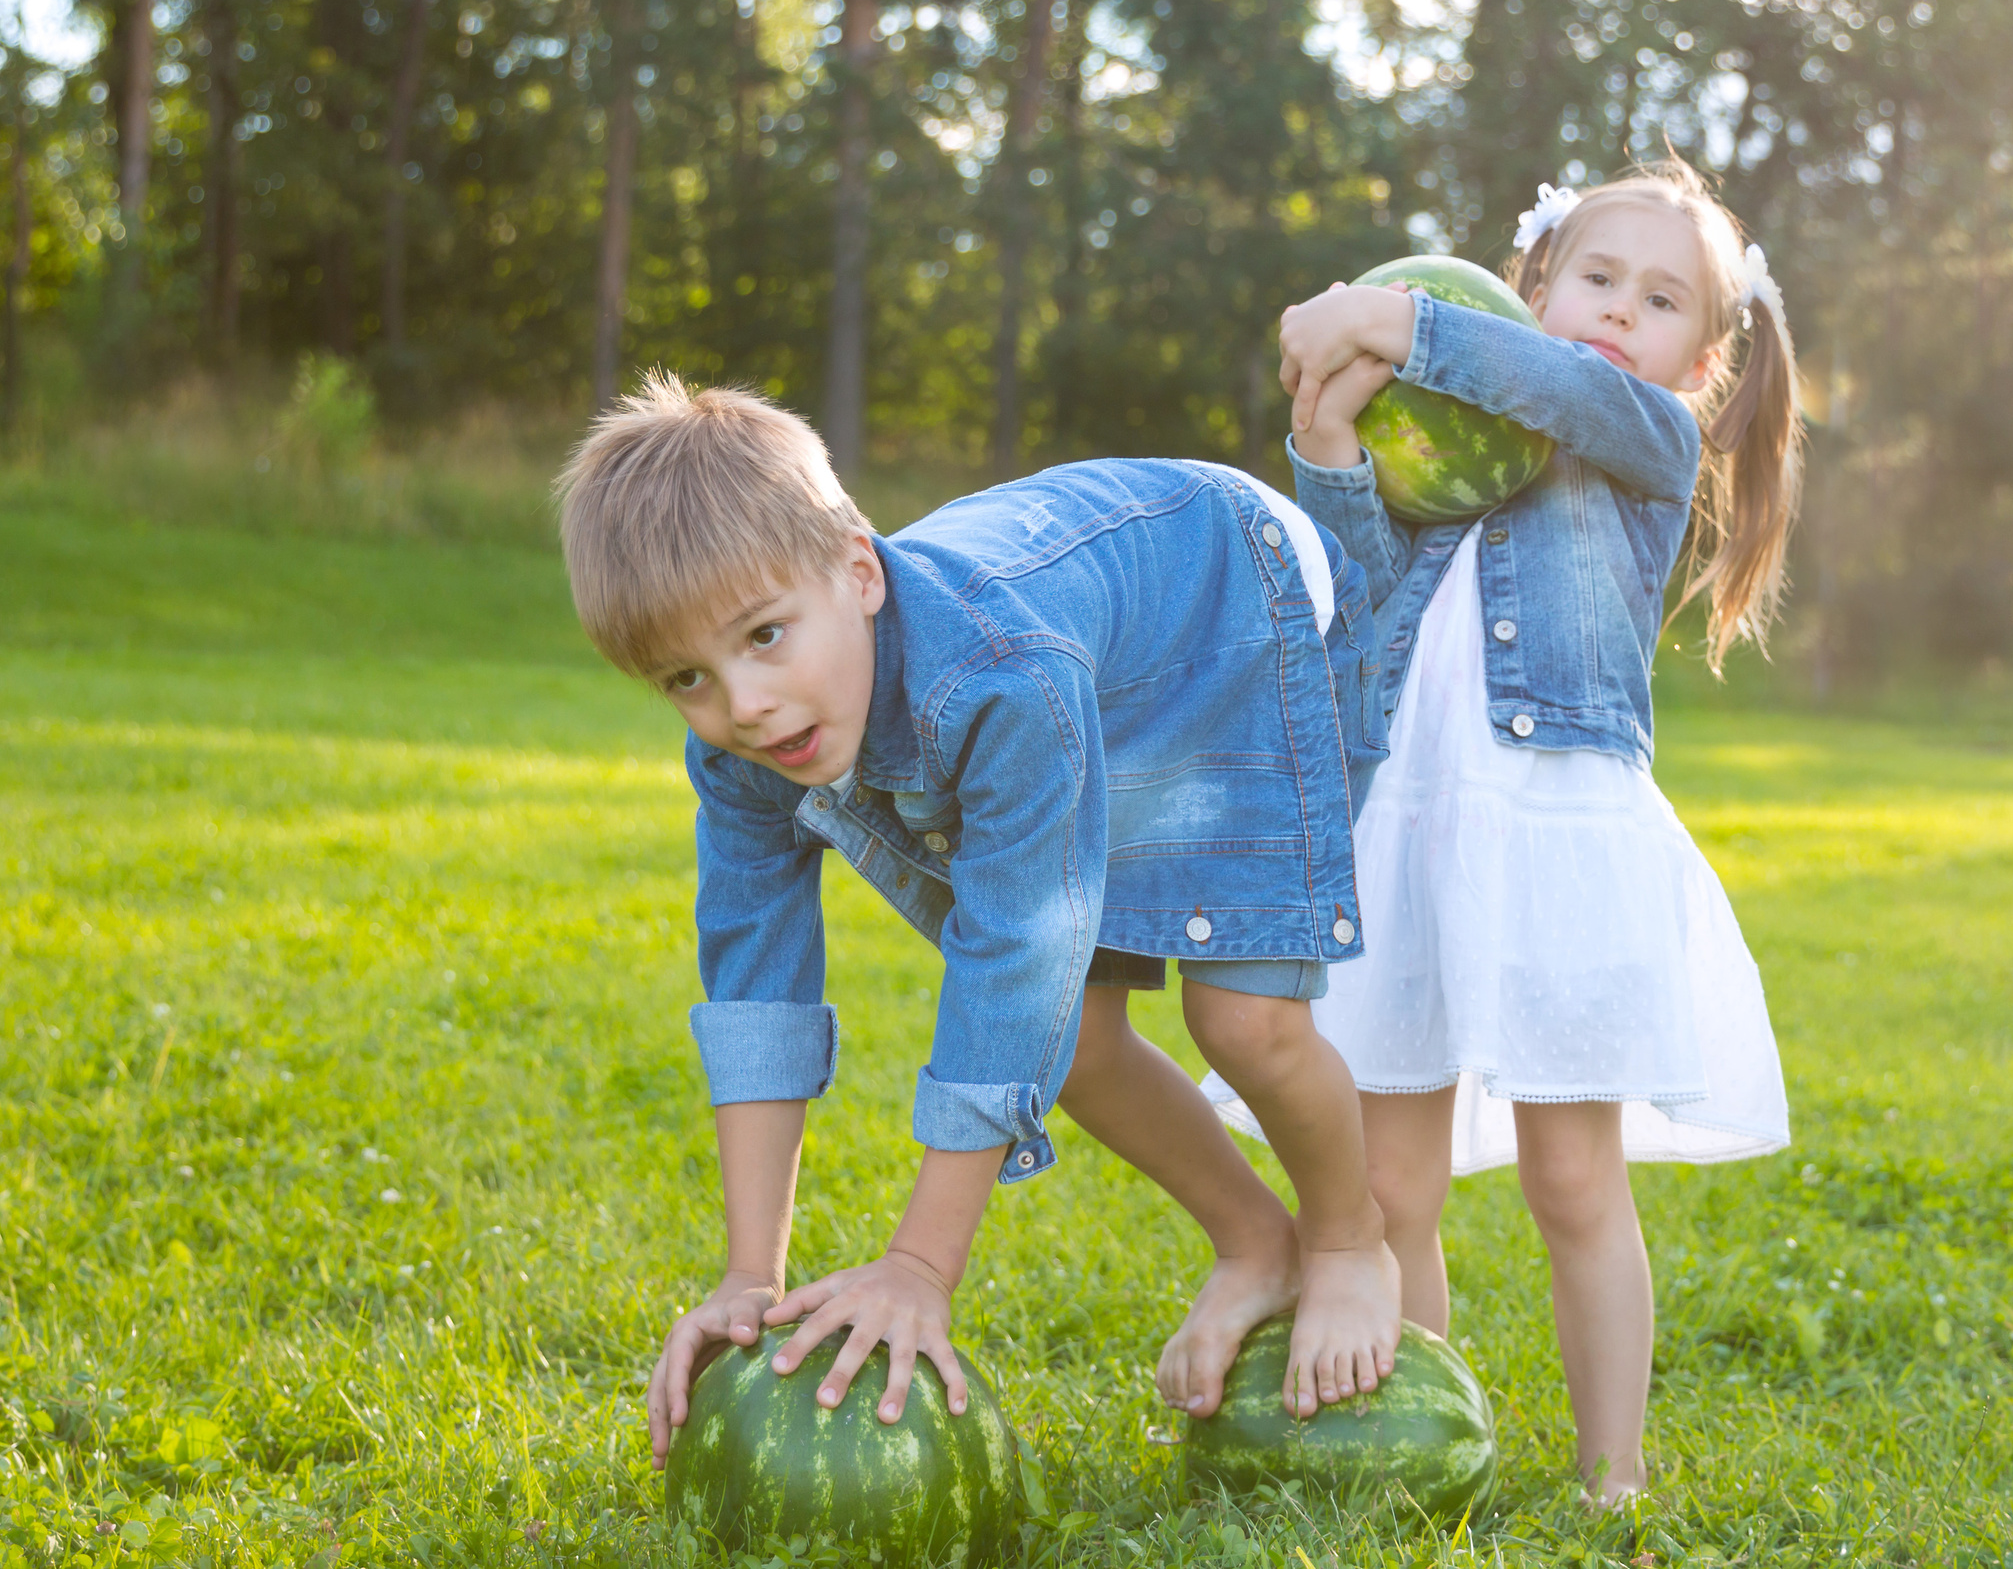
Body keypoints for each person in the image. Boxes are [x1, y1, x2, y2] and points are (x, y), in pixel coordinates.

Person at [552, 378, 1404, 1472]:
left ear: (858, 571)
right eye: (688, 678)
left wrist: (918, 1267)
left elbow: (1015, 958)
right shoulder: (738, 754)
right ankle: (1256, 1247)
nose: (744, 705)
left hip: (1241, 591)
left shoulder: (1000, 680)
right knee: (1081, 1043)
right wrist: (747, 1279)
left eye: (765, 635)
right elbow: (756, 989)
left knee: (1244, 1020)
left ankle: (1344, 1238)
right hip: (1104, 648)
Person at [1245, 158, 1797, 1499]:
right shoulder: (1451, 445)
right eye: (1595, 280)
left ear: (1701, 359)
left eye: (1661, 301)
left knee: (1572, 1177)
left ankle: (1614, 1473)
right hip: (1409, 837)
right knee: (1388, 1188)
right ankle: (1416, 1442)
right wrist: (1329, 433)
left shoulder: (1643, 440)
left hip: (1559, 847)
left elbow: (1562, 389)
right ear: (1533, 286)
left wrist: (1389, 321)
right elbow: (1358, 574)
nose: (1620, 312)